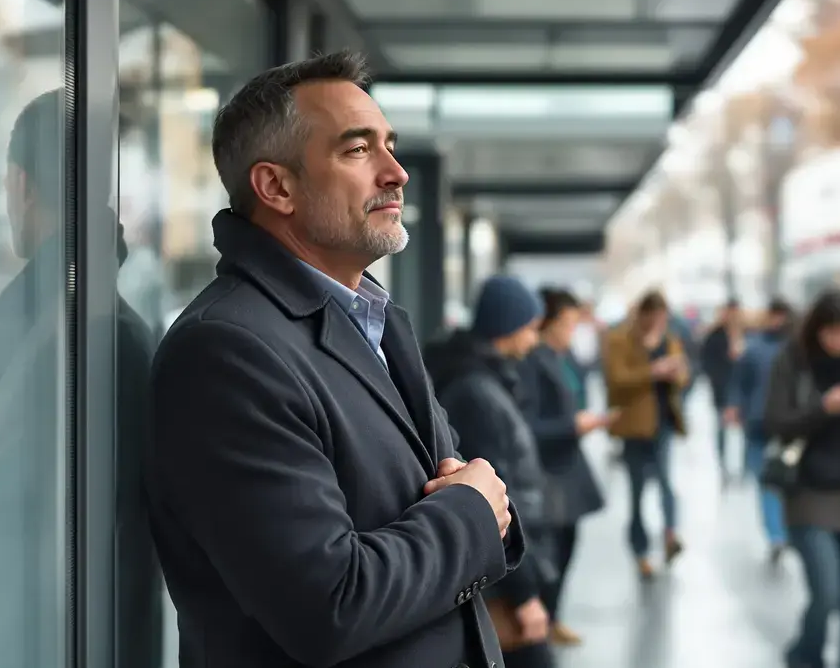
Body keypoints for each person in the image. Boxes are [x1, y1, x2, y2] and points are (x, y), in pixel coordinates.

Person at [145, 51, 524, 668]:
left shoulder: (374, 320)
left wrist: (480, 505)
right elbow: (331, 605)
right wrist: (472, 512)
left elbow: (475, 488)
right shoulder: (227, 350)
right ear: (276, 187)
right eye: (357, 150)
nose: (396, 172)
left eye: (389, 145)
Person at [0, 89, 161, 668]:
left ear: (22, 186)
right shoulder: (121, 325)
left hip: (23, 638)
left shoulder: (15, 326)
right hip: (112, 635)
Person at [424, 275, 557, 668]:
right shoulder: (478, 394)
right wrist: (525, 593)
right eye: (531, 328)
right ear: (508, 326)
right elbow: (495, 498)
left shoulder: (487, 381)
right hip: (504, 577)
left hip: (507, 569)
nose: (535, 340)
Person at [764, 288, 840, 668]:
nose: (839, 341)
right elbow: (776, 423)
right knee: (826, 595)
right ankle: (805, 654)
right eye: (832, 332)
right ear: (816, 330)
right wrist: (823, 408)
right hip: (809, 496)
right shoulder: (792, 364)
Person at [517, 287, 607, 646]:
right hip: (547, 474)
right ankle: (540, 622)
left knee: (566, 546)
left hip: (565, 470)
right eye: (568, 323)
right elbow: (528, 425)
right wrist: (573, 426)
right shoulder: (533, 362)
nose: (573, 330)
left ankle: (552, 618)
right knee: (550, 553)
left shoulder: (561, 357)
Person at [603, 290, 689, 578]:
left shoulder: (669, 339)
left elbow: (683, 376)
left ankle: (669, 534)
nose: (658, 322)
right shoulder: (620, 339)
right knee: (637, 491)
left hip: (663, 423)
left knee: (666, 482)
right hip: (635, 427)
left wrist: (676, 371)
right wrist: (652, 371)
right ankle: (640, 550)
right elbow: (617, 380)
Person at [727, 298, 794, 566]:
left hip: (789, 425)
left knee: (786, 481)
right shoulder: (755, 347)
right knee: (766, 480)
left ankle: (784, 530)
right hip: (759, 423)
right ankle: (777, 534)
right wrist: (734, 407)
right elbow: (739, 381)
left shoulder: (795, 348)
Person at [702, 300, 744, 480]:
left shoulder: (745, 333)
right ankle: (724, 465)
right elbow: (707, 361)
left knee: (742, 429)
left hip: (741, 390)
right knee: (722, 428)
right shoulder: (716, 336)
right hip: (722, 388)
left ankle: (741, 467)